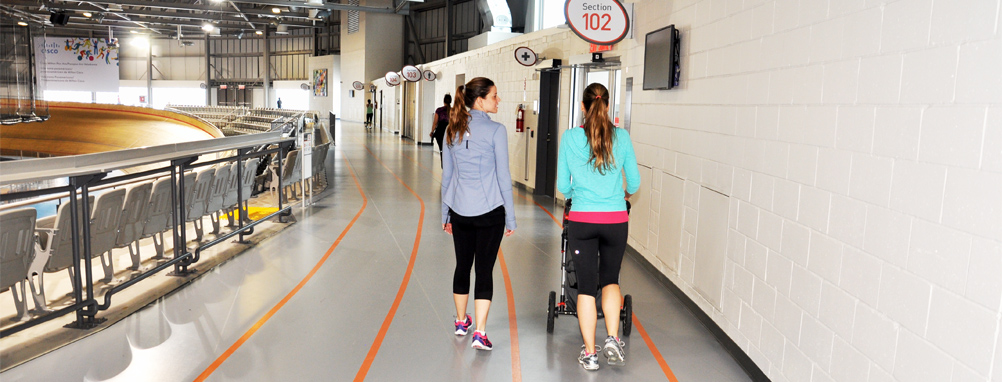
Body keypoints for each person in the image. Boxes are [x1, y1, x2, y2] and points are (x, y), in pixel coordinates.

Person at [556, 83, 640, 371]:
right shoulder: (623, 137)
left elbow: (561, 185)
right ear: (607, 106)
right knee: (611, 280)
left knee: (587, 288)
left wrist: (577, 194)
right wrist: (620, 196)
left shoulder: (569, 138)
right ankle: (613, 339)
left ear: (583, 106)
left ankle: (590, 353)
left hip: (583, 221)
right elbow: (636, 182)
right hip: (616, 220)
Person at [441, 77, 516, 351]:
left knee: (463, 265)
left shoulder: (451, 129)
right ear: (480, 100)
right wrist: (511, 217)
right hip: (490, 212)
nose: (499, 100)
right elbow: (503, 177)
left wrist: (445, 214)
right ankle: (480, 333)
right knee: (484, 269)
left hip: (459, 210)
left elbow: (447, 177)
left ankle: (462, 322)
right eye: (495, 96)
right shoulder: (497, 131)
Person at [429, 94, 451, 168]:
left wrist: (432, 132)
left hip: (440, 132)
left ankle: (443, 164)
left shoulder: (439, 110)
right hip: (450, 131)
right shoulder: (453, 110)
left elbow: (435, 123)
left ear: (443, 101)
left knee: (442, 149)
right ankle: (449, 164)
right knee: (449, 148)